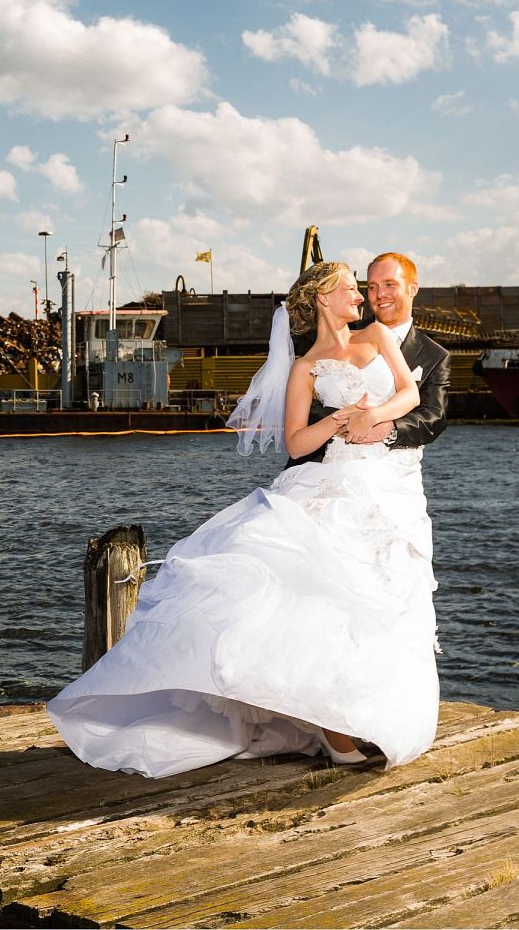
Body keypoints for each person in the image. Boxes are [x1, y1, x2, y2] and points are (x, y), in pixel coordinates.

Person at [47, 261, 441, 778]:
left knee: (379, 598)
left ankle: (364, 712)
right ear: (324, 298)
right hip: (333, 475)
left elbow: (412, 394)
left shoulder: (377, 336)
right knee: (304, 588)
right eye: (351, 288)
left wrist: (377, 415)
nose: (361, 297)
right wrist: (335, 420)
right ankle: (334, 730)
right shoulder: (305, 367)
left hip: (385, 485)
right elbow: (296, 443)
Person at [286, 251, 449, 466]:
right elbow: (297, 437)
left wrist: (381, 425)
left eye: (389, 284)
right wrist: (341, 418)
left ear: (412, 289)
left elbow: (433, 417)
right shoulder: (308, 359)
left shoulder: (433, 355)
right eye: (371, 287)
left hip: (390, 464)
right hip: (324, 465)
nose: (375, 295)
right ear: (324, 297)